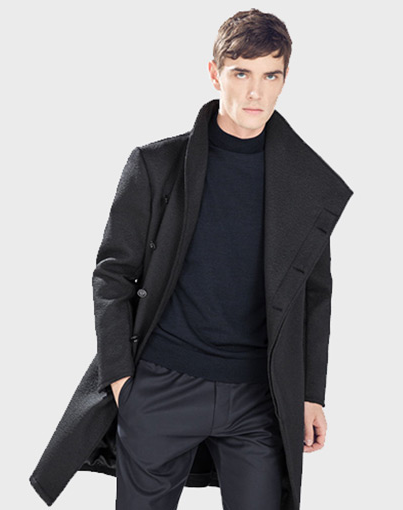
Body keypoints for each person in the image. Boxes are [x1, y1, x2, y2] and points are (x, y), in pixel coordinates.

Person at [29, 8, 354, 510]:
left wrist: (311, 393)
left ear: (285, 79)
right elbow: (112, 274)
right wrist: (122, 382)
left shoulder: (309, 185)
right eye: (241, 73)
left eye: (271, 76)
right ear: (214, 73)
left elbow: (314, 295)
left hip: (259, 398)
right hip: (161, 385)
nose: (255, 92)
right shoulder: (156, 165)